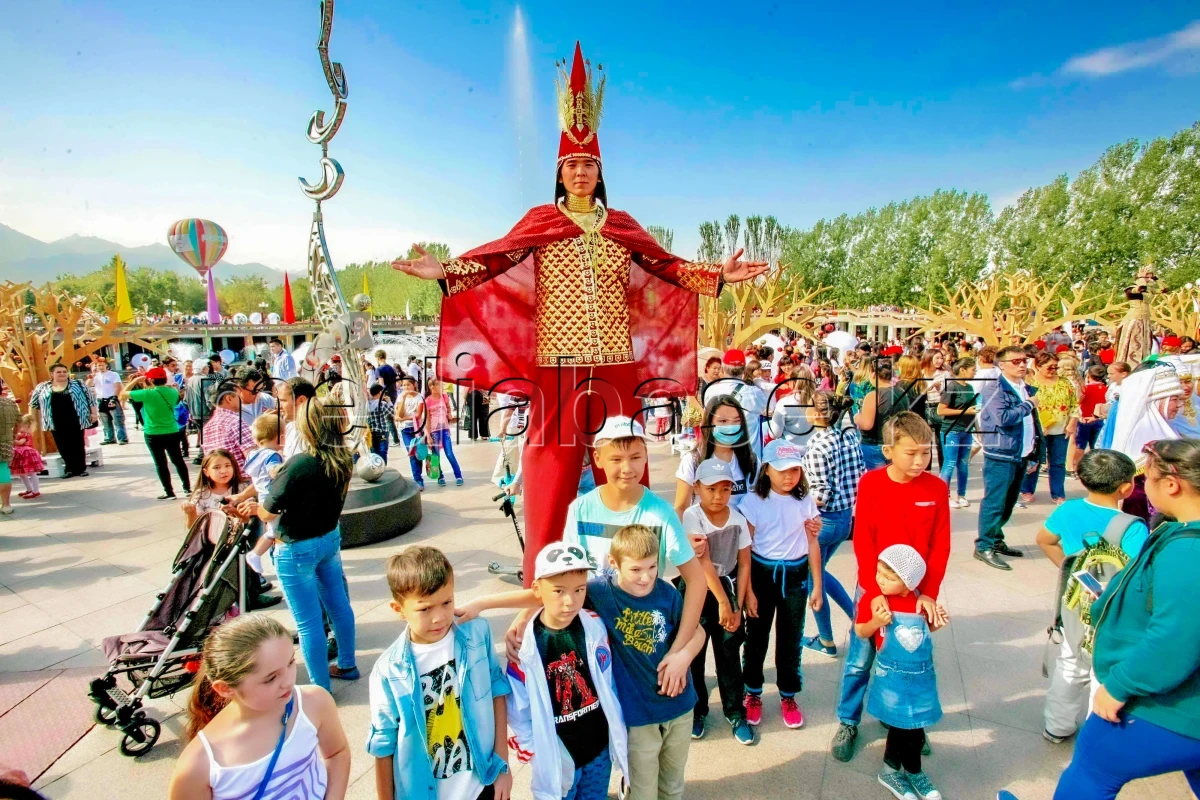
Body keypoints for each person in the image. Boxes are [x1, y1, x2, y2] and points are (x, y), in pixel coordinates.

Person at [393, 43, 767, 584]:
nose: (581, 172)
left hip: (615, 364)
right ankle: (540, 583)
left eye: (589, 164)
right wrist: (445, 272)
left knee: (622, 468)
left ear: (601, 171)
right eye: (572, 164)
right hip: (557, 367)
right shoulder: (542, 221)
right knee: (548, 473)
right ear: (560, 172)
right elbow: (495, 258)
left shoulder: (623, 225)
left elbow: (667, 267)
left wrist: (717, 277)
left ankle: (631, 573)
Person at [462, 525, 705, 800]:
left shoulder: (653, 599)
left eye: (651, 568)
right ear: (614, 565)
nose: (645, 577)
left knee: (664, 787)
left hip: (644, 723)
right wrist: (486, 605)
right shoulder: (596, 596)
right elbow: (546, 591)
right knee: (640, 791)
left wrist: (681, 657)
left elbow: (697, 628)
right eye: (636, 569)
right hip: (608, 729)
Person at [1042, 439, 1200, 799]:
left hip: (1175, 707)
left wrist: (1120, 686)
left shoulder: (1188, 549)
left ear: (1172, 484)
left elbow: (1174, 637)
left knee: (1092, 770)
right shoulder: (1170, 533)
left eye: (1150, 478)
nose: (1144, 486)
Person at [830, 413, 950, 764]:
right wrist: (873, 589)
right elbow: (864, 540)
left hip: (915, 595)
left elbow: (940, 544)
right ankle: (848, 720)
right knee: (860, 657)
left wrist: (929, 592)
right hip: (875, 587)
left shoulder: (937, 488)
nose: (919, 461)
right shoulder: (871, 484)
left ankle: (905, 723)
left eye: (925, 453)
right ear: (888, 450)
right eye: (911, 452)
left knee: (910, 659)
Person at [367, 547, 512, 800]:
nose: (439, 617)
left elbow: (497, 691)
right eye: (424, 609)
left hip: (483, 782)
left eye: (447, 602)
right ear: (398, 609)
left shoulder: (477, 635)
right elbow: (383, 745)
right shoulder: (389, 670)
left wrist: (503, 765)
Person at [242, 396, 359, 691]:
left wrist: (253, 508)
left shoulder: (299, 464)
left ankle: (320, 688)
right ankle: (347, 664)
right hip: (329, 539)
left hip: (296, 548)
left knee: (308, 623)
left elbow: (268, 511)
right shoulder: (344, 459)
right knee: (339, 606)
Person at [168, 614, 351, 800]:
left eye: (290, 663)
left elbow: (337, 753)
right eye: (271, 678)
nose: (288, 681)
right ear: (224, 688)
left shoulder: (314, 702)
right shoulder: (198, 765)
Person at [1035, 449, 1147, 745]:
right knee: (1104, 670)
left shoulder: (1068, 510)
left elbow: (1044, 540)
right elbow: (1135, 575)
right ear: (1126, 487)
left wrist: (1070, 568)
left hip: (1074, 603)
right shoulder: (1131, 526)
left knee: (1070, 663)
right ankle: (1097, 738)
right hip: (1110, 611)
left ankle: (1056, 727)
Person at [507, 542, 629, 800]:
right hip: (558, 753)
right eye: (558, 591)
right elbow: (518, 706)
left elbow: (608, 681)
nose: (569, 601)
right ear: (537, 589)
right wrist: (532, 747)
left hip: (598, 748)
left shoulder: (594, 625)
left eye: (579, 590)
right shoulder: (525, 647)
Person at [738, 439, 823, 730]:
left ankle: (788, 695)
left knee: (791, 639)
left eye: (795, 470)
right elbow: (745, 549)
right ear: (767, 470)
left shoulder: (804, 502)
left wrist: (818, 587)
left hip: (796, 577)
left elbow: (813, 544)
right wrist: (747, 591)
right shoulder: (753, 502)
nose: (789, 476)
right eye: (782, 470)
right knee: (756, 637)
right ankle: (752, 692)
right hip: (762, 574)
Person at [856, 545, 947, 800]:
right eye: (879, 573)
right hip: (892, 679)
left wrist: (937, 621)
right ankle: (896, 771)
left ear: (909, 583)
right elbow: (861, 631)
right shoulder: (876, 602)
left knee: (916, 725)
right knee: (901, 727)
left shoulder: (920, 601)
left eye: (889, 578)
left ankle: (908, 771)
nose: (880, 581)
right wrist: (876, 622)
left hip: (921, 678)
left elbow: (927, 630)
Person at [681, 459, 753, 744]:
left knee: (729, 655)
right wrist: (724, 602)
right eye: (711, 489)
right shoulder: (692, 516)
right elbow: (704, 561)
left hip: (729, 589)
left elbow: (745, 563)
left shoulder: (737, 519)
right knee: (694, 656)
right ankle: (697, 710)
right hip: (699, 592)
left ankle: (735, 712)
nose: (718, 496)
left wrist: (738, 603)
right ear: (697, 487)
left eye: (725, 489)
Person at [799, 392, 864, 659]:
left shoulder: (817, 445)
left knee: (814, 580)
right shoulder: (850, 437)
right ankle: (855, 618)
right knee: (820, 575)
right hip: (846, 519)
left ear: (816, 415)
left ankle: (829, 638)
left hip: (823, 521)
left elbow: (821, 495)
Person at [974, 345, 1042, 571]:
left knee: (1010, 501)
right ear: (1001, 365)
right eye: (1016, 361)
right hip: (1000, 453)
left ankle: (995, 539)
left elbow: (1033, 423)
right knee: (995, 501)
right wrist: (1030, 404)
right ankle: (984, 545)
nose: (1022, 364)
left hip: (1020, 452)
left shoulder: (1025, 387)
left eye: (1024, 360)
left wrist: (1035, 452)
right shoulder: (995, 388)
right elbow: (1003, 418)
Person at [673, 395, 756, 516]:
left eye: (736, 421)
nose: (730, 427)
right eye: (723, 421)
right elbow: (680, 509)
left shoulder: (751, 461)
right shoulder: (693, 460)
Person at [122, 367, 192, 499]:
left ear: (151, 380)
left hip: (153, 433)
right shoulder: (172, 392)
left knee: (161, 463)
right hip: (172, 430)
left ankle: (169, 492)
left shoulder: (147, 394)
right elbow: (176, 398)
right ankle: (187, 488)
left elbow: (123, 393)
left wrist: (136, 380)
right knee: (178, 460)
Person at [1019, 352, 1078, 508]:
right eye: (1049, 367)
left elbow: (1074, 405)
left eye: (1055, 367)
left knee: (1058, 462)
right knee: (1034, 461)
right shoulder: (1030, 384)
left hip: (1060, 429)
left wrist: (1072, 423)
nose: (1053, 370)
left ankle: (1058, 493)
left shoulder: (1065, 383)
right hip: (1038, 429)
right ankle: (1027, 489)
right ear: (1038, 366)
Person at [29, 362, 98, 479]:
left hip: (76, 418)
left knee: (77, 444)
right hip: (55, 420)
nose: (62, 374)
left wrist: (94, 413)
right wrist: (31, 420)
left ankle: (80, 469)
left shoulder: (78, 384)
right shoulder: (42, 387)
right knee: (62, 445)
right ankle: (69, 469)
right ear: (52, 374)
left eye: (64, 372)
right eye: (58, 372)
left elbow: (91, 399)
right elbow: (33, 404)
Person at [238, 414, 286, 577]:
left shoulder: (254, 454)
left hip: (262, 496)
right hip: (271, 497)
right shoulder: (272, 455)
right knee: (274, 531)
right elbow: (274, 471)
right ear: (279, 437)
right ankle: (256, 555)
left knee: (272, 528)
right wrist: (286, 469)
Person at [937, 357, 977, 509]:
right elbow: (941, 410)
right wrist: (964, 411)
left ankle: (961, 494)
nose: (975, 372)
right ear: (962, 370)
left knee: (963, 464)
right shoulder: (951, 387)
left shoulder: (970, 388)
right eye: (973, 370)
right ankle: (944, 495)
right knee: (950, 463)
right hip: (951, 430)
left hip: (967, 430)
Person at [202, 387, 254, 471]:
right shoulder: (235, 422)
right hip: (242, 479)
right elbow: (252, 456)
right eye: (239, 397)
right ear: (229, 399)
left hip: (219, 480)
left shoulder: (207, 427)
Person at [423, 380, 463, 487]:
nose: (442, 387)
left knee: (449, 454)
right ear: (432, 387)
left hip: (445, 430)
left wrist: (449, 414)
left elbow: (448, 408)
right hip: (434, 432)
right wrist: (428, 436)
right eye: (440, 385)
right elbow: (426, 420)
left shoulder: (444, 397)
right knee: (436, 456)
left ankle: (458, 475)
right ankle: (440, 477)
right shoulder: (427, 401)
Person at [1072, 365, 1110, 472]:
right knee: (1096, 445)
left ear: (1089, 375)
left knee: (1080, 445)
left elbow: (1078, 402)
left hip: (1084, 419)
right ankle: (1096, 468)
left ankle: (1077, 467)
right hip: (1099, 419)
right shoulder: (1106, 389)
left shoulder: (1085, 388)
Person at [920, 350, 951, 470]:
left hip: (939, 406)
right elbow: (918, 393)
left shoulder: (945, 373)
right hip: (925, 406)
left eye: (941, 358)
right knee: (926, 442)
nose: (940, 361)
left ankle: (943, 472)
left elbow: (949, 393)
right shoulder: (921, 373)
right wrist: (929, 387)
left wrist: (940, 388)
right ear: (929, 358)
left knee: (941, 442)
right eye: (937, 358)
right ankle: (927, 471)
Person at [395, 376, 426, 489]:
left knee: (418, 453)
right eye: (403, 385)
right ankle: (418, 480)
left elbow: (417, 415)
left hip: (417, 428)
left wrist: (402, 419)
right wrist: (403, 399)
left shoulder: (419, 397)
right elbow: (399, 414)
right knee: (412, 454)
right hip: (405, 430)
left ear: (414, 385)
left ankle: (419, 478)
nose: (406, 387)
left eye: (408, 384)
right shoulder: (400, 397)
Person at [89, 357, 128, 445]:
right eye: (99, 365)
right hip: (100, 399)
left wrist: (114, 397)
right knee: (105, 421)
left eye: (102, 365)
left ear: (106, 365)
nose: (101, 367)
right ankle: (109, 438)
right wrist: (91, 377)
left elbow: (118, 386)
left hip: (111, 398)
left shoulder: (113, 375)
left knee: (117, 420)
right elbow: (88, 385)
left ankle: (122, 438)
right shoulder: (96, 376)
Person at [11, 415, 44, 501]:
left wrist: (12, 440)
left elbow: (20, 443)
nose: (18, 428)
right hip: (20, 454)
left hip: (26, 454)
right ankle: (29, 489)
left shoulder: (25, 434)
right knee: (22, 474)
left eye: (20, 426)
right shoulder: (20, 434)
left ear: (26, 426)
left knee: (32, 473)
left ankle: (35, 490)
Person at [365, 384, 399, 465]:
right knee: (382, 451)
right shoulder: (382, 404)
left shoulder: (367, 405)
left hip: (371, 431)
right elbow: (392, 412)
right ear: (380, 393)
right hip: (382, 431)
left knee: (373, 450)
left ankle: (375, 467)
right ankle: (382, 467)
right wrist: (389, 402)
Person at [0, 392, 19, 516]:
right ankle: (6, 504)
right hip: (5, 442)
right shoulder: (9, 403)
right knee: (3, 473)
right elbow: (18, 421)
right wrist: (12, 436)